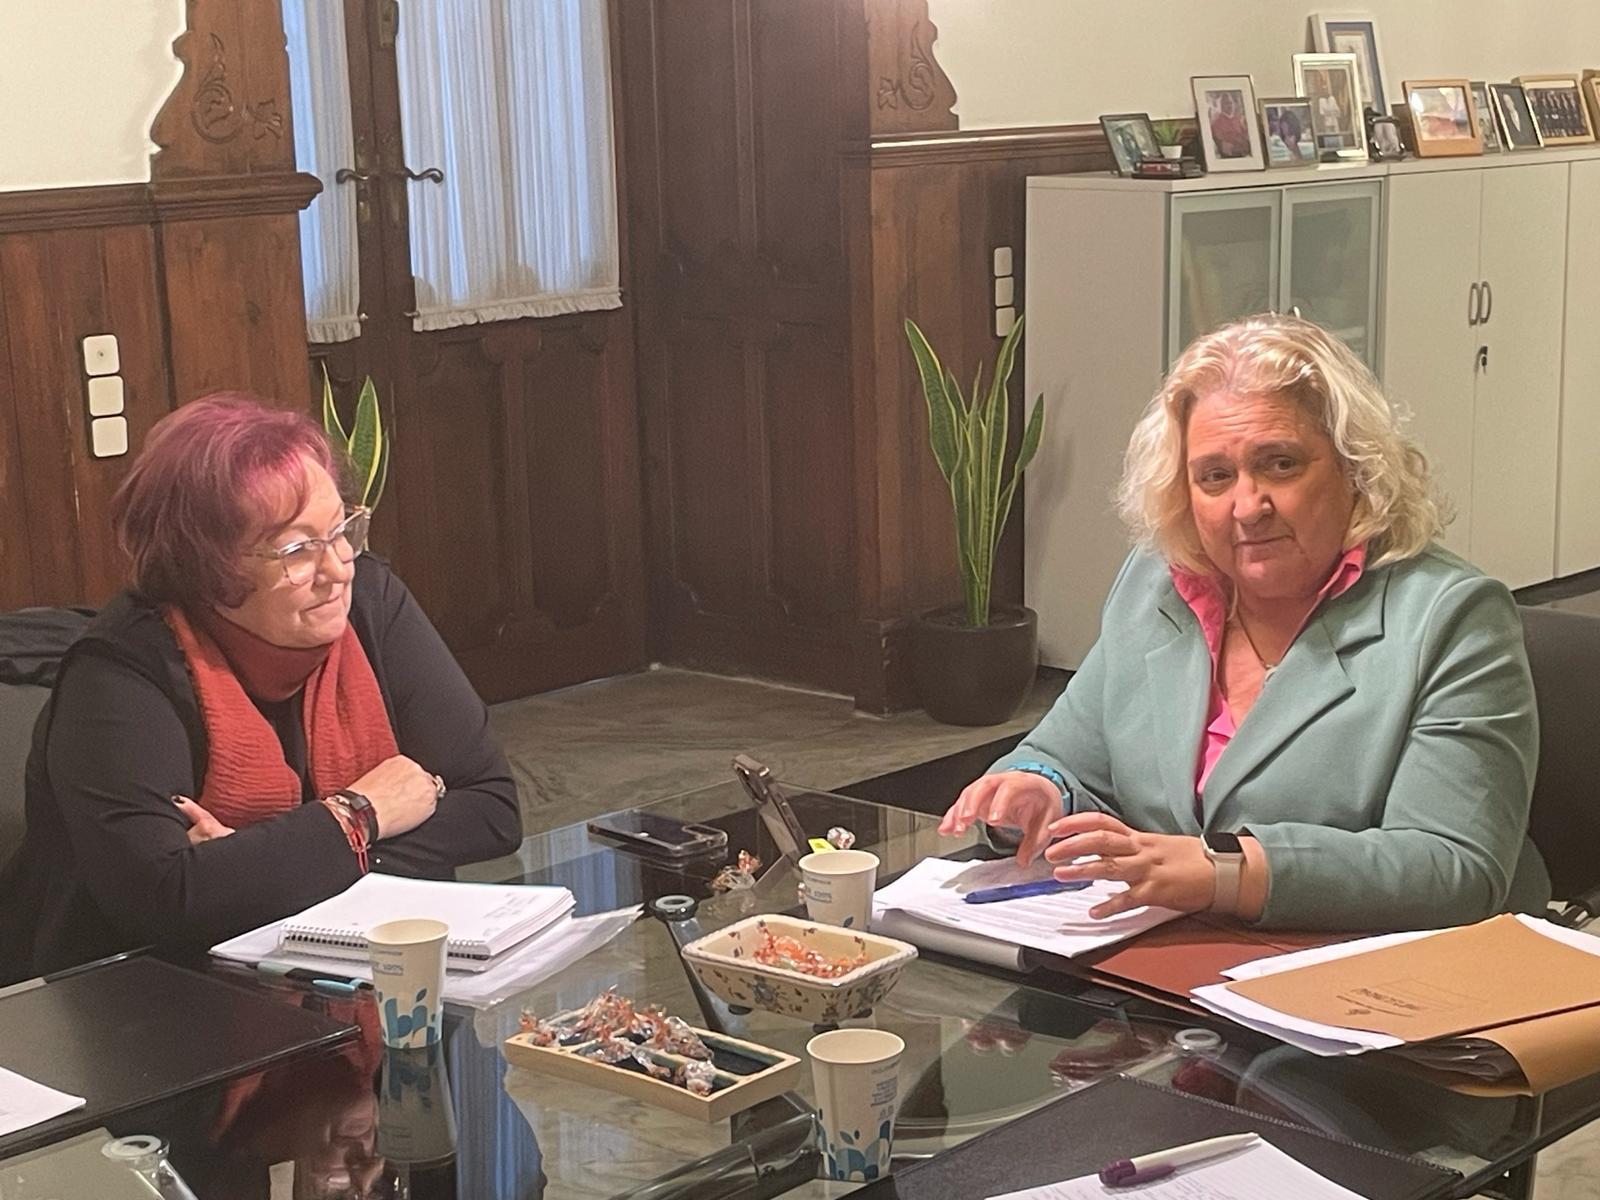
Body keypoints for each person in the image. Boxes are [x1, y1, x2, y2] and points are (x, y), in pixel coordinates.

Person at [940, 316, 1548, 931]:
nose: (1247, 507)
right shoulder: (1159, 583)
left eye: (1280, 465)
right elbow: (1066, 755)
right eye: (1215, 476)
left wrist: (1225, 873)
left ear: (1355, 470)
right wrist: (1039, 791)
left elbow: (1455, 867)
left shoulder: (1454, 617)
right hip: (1174, 967)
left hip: (1370, 981)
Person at [0, 395, 522, 980]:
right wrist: (360, 814)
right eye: (297, 550)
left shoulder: (372, 605)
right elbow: (162, 900)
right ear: (208, 566)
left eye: (342, 529)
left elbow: (493, 809)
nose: (339, 566)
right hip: (136, 1008)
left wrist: (255, 863)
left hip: (349, 978)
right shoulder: (119, 675)